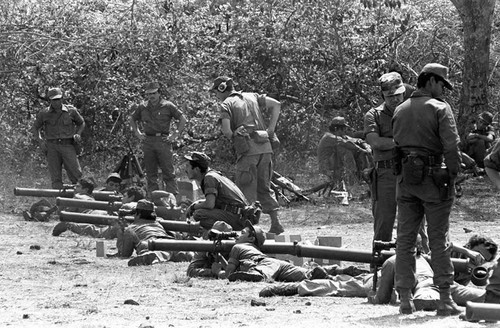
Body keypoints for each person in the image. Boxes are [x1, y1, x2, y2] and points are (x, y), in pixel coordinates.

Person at [392, 63, 461, 316]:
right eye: (443, 84)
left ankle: (405, 299)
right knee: (438, 239)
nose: (444, 90)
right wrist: (453, 174)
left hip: (406, 180)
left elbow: (396, 145)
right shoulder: (440, 108)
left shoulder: (400, 109)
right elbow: (452, 147)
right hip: (434, 181)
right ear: (431, 81)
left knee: (405, 241)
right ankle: (444, 298)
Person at [211, 76, 284, 235]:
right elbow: (277, 105)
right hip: (265, 148)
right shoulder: (253, 96)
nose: (216, 95)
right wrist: (270, 130)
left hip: (247, 151)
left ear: (222, 89)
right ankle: (276, 223)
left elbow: (226, 130)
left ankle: (250, 228)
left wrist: (233, 136)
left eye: (216, 91)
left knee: (245, 190)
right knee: (264, 186)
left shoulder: (226, 104)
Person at [213, 220, 340, 282]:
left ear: (251, 238)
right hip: (278, 264)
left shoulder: (238, 247)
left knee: (260, 276)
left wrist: (218, 272)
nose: (237, 236)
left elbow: (230, 274)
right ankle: (341, 271)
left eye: (242, 233)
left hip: (264, 265)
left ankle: (259, 275)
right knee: (310, 274)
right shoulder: (253, 248)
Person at [363, 72, 405, 242]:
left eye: (398, 94)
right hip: (386, 173)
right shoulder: (374, 115)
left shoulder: (410, 111)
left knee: (414, 223)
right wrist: (402, 141)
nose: (395, 99)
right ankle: (378, 265)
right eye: (390, 96)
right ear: (383, 96)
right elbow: (375, 142)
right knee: (384, 222)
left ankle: (418, 264)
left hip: (409, 171)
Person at [129, 81, 187, 196]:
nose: (151, 96)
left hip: (163, 141)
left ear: (159, 93)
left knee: (168, 172)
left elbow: (182, 119)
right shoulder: (143, 107)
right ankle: (154, 199)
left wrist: (175, 135)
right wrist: (137, 133)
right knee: (151, 174)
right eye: (149, 94)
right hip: (148, 141)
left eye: (154, 93)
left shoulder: (168, 106)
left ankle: (172, 199)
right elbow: (132, 118)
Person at [32, 87, 85, 189]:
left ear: (62, 99)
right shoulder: (44, 113)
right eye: (54, 100)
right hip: (52, 146)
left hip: (68, 144)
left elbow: (81, 122)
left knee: (76, 173)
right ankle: (58, 200)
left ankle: (80, 198)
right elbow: (35, 127)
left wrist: (78, 133)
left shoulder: (71, 111)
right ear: (50, 100)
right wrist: (40, 141)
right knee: (55, 176)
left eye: (58, 99)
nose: (56, 102)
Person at [183, 151, 251, 231]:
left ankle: (222, 233)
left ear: (197, 169)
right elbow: (215, 200)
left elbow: (210, 204)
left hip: (237, 217)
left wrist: (193, 207)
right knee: (199, 211)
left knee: (199, 214)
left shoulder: (209, 178)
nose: (185, 170)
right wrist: (195, 204)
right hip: (240, 216)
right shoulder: (213, 175)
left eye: (187, 166)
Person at [117, 199, 193, 266]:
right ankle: (188, 255)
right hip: (169, 241)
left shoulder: (131, 228)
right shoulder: (158, 222)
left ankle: (153, 256)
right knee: (179, 253)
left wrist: (121, 232)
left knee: (154, 252)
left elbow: (125, 253)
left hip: (150, 243)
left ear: (138, 214)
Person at [52, 185, 145, 238]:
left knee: (97, 231)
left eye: (124, 196)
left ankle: (69, 225)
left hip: (119, 224)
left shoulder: (128, 205)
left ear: (132, 197)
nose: (122, 198)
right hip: (133, 227)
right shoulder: (145, 206)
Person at [317, 117, 372, 191]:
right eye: (343, 128)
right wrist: (363, 150)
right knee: (346, 150)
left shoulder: (341, 136)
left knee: (354, 150)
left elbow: (357, 140)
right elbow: (347, 143)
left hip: (336, 168)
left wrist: (367, 147)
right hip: (327, 169)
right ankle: (352, 178)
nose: (345, 130)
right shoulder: (329, 137)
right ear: (337, 129)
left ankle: (359, 176)